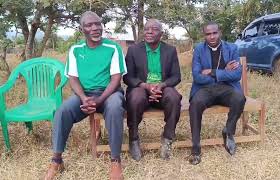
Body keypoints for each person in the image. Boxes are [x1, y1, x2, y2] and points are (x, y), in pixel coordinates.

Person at [44, 11, 127, 180]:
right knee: (63, 111)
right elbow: (73, 78)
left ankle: (115, 160)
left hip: (109, 94)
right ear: (82, 29)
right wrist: (83, 98)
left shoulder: (113, 48)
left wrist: (99, 101)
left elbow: (116, 79)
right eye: (89, 25)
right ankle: (57, 160)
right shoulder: (75, 50)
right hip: (85, 95)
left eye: (98, 24)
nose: (95, 28)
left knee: (115, 107)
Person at [188, 21, 246, 165]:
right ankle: (195, 148)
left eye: (214, 33)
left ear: (219, 32)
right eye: (208, 34)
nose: (212, 36)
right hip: (205, 89)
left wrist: (213, 72)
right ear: (204, 35)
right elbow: (197, 76)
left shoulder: (232, 48)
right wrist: (224, 72)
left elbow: (237, 75)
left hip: (226, 88)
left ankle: (228, 131)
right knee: (195, 104)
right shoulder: (199, 49)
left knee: (239, 98)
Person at [124, 19, 182, 161]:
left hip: (162, 89)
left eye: (154, 29)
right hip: (141, 89)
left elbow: (176, 76)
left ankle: (168, 138)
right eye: (147, 28)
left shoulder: (170, 50)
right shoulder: (133, 50)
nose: (149, 32)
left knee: (173, 97)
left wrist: (161, 85)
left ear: (161, 33)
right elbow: (127, 77)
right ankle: (134, 139)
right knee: (136, 97)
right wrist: (146, 86)